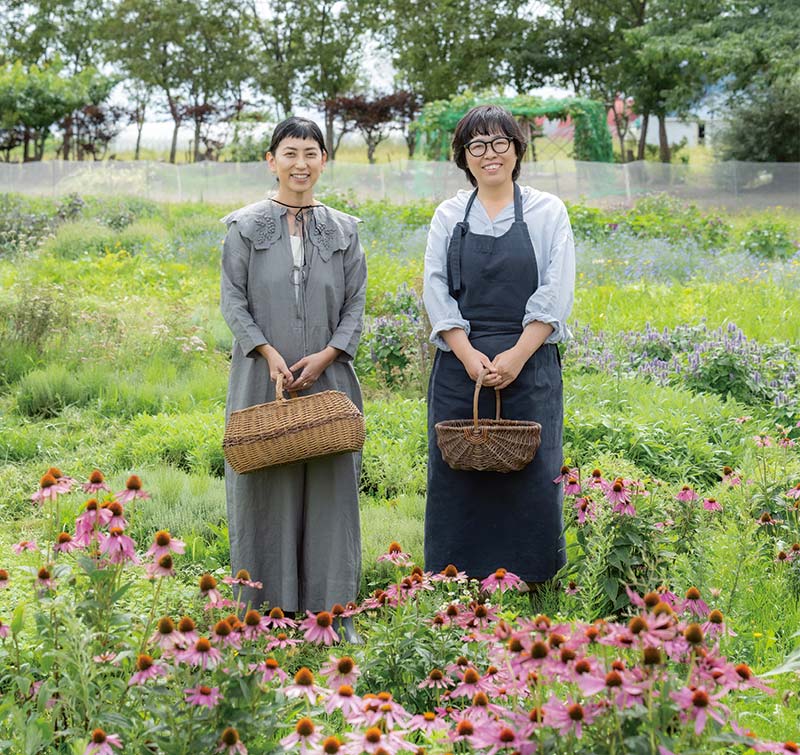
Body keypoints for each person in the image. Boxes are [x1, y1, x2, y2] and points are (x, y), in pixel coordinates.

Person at [220, 117, 366, 639]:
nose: (300, 164)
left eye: (310, 153)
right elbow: (232, 301)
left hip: (329, 377)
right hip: (263, 375)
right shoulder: (242, 226)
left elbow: (355, 305)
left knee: (332, 486)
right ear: (271, 160)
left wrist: (328, 354)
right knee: (264, 481)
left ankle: (333, 611)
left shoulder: (346, 230)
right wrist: (267, 352)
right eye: (289, 153)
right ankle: (263, 611)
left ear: (324, 160)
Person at [422, 104, 575, 593]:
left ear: (517, 150)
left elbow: (556, 289)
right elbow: (436, 289)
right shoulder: (449, 215)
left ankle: (529, 575)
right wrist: (466, 354)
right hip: (459, 363)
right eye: (477, 146)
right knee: (459, 469)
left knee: (531, 470)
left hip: (528, 360)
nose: (490, 155)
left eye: (500, 143)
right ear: (464, 157)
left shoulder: (547, 211)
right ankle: (456, 574)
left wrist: (519, 353)